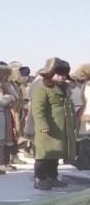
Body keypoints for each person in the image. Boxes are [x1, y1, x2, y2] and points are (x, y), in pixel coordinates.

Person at [31, 58, 76, 190]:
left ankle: (52, 177)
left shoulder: (65, 88)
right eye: (58, 74)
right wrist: (42, 125)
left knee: (54, 155)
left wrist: (74, 122)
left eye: (64, 75)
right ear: (51, 74)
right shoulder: (42, 88)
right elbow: (37, 109)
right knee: (43, 155)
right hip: (47, 129)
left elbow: (70, 107)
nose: (62, 77)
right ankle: (40, 179)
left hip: (60, 128)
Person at [72, 64, 90, 170]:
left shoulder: (87, 86)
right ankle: (83, 161)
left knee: (86, 139)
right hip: (86, 113)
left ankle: (83, 162)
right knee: (86, 139)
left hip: (87, 114)